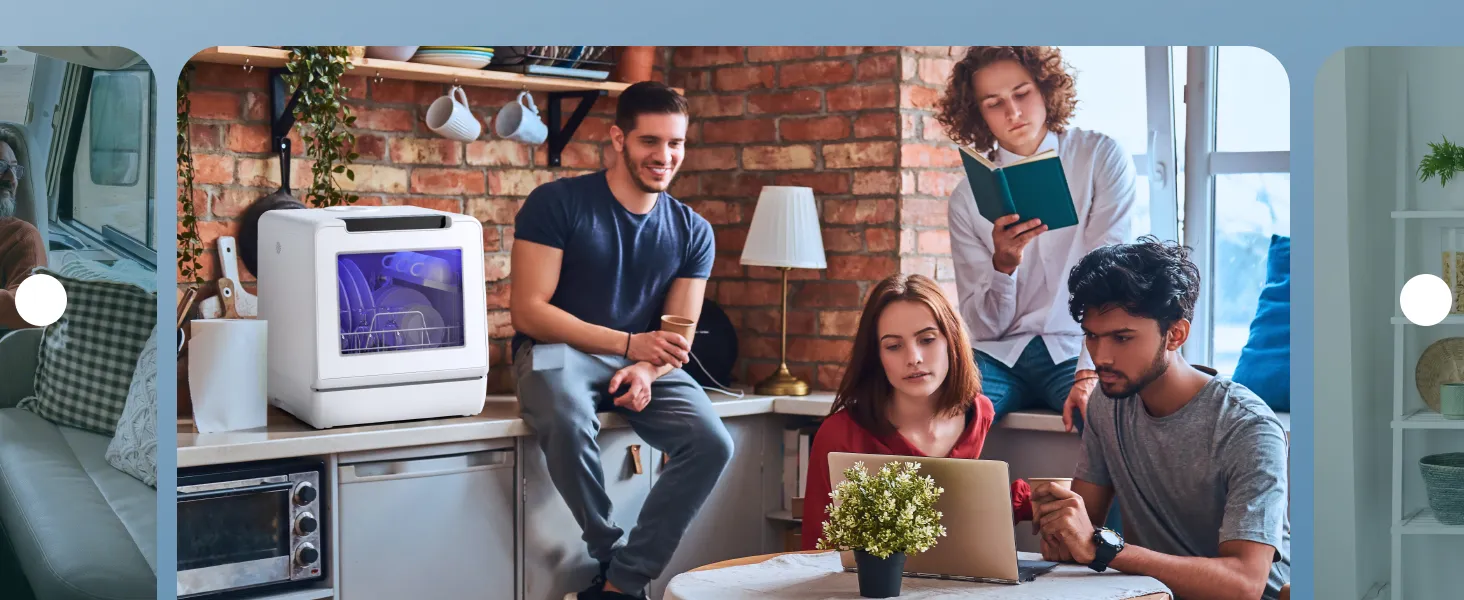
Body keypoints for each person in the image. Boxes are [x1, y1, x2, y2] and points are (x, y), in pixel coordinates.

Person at [510, 81, 733, 600]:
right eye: (650, 142)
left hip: (640, 360)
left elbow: (676, 334)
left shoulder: (694, 231)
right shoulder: (556, 203)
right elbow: (529, 310)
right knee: (565, 415)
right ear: (618, 139)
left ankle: (620, 585)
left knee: (711, 442)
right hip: (554, 352)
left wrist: (647, 369)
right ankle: (609, 548)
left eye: (675, 143)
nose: (664, 156)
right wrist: (630, 345)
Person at [1030, 237, 1290, 600]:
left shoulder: (1247, 427)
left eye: (1122, 338)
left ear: (1175, 335)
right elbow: (1083, 536)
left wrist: (1104, 549)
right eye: (1092, 336)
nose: (1101, 357)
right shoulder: (1107, 403)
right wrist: (1062, 530)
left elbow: (1245, 583)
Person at [936, 46, 1139, 433]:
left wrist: (1088, 373)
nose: (1012, 112)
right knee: (939, 417)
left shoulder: (1099, 158)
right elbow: (983, 329)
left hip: (1076, 348)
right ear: (978, 113)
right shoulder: (967, 198)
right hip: (997, 356)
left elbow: (1112, 278)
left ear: (1045, 88)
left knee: (1108, 421)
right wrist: (1004, 265)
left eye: (1021, 93)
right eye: (993, 103)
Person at [801, 273, 1033, 550]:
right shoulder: (839, 435)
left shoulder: (978, 413)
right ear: (877, 357)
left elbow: (947, 511)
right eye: (894, 346)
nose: (913, 358)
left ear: (951, 340)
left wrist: (1027, 503)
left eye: (927, 340)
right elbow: (816, 549)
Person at [0, 137, 46, 331]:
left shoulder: (22, 237)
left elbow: (32, 308)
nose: (11, 178)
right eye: (1, 166)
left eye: (15, 169)